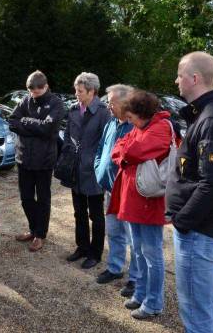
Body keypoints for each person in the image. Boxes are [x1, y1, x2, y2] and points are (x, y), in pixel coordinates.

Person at [166, 51, 213, 333]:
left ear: (195, 78)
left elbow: (212, 184)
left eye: (180, 75)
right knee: (210, 298)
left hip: (199, 231)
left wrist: (182, 221)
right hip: (201, 230)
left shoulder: (212, 121)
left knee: (196, 310)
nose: (176, 81)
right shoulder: (206, 116)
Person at [108, 90, 173, 320]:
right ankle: (141, 293)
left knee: (152, 254)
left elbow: (132, 150)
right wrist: (125, 154)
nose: (129, 121)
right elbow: (118, 148)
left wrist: (125, 154)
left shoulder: (160, 127)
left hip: (149, 202)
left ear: (141, 113)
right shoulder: (142, 127)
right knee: (138, 251)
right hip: (135, 200)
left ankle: (154, 302)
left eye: (131, 117)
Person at [8, 71, 65, 252]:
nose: (34, 95)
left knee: (43, 199)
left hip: (44, 160)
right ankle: (33, 229)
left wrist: (25, 122)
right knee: (25, 198)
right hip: (23, 158)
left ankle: (40, 234)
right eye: (31, 92)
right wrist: (36, 125)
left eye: (37, 92)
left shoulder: (56, 103)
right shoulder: (25, 101)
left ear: (46, 87)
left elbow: (48, 128)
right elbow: (12, 122)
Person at [93, 84, 138, 297]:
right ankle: (115, 268)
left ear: (125, 103)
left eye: (111, 102)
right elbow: (101, 148)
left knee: (134, 238)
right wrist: (98, 168)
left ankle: (136, 279)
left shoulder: (136, 126)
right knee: (114, 232)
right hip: (110, 190)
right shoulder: (110, 122)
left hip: (128, 194)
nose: (108, 106)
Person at [64, 72, 110, 269]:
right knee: (79, 212)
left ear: (92, 92)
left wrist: (96, 163)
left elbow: (107, 144)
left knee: (96, 215)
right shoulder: (74, 109)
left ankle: (95, 253)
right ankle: (82, 247)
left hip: (93, 172)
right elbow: (67, 136)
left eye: (80, 91)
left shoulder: (103, 112)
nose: (76, 94)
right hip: (76, 169)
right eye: (76, 90)